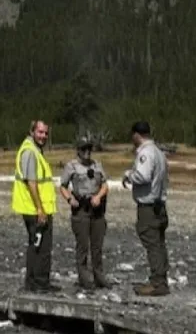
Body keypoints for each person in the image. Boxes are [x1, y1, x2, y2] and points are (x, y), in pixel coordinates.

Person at [122, 120, 170, 296]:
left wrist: (128, 175)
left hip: (148, 206)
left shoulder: (146, 153)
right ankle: (161, 277)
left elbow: (143, 176)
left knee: (152, 243)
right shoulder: (159, 152)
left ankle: (157, 282)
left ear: (136, 134)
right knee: (159, 242)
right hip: (160, 204)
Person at [59, 133, 111, 289]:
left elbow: (105, 185)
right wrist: (70, 199)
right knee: (83, 246)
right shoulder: (71, 166)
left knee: (97, 245)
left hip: (97, 209)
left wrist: (99, 196)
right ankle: (84, 278)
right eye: (84, 149)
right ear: (78, 150)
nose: (87, 152)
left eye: (89, 148)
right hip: (81, 208)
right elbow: (62, 186)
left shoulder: (97, 165)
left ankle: (99, 277)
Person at [11, 119, 58, 292]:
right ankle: (39, 283)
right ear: (32, 132)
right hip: (35, 209)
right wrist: (40, 209)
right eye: (40, 132)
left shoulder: (33, 150)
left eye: (46, 133)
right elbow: (32, 182)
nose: (43, 136)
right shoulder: (30, 152)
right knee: (42, 248)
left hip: (32, 208)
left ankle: (32, 282)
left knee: (35, 245)